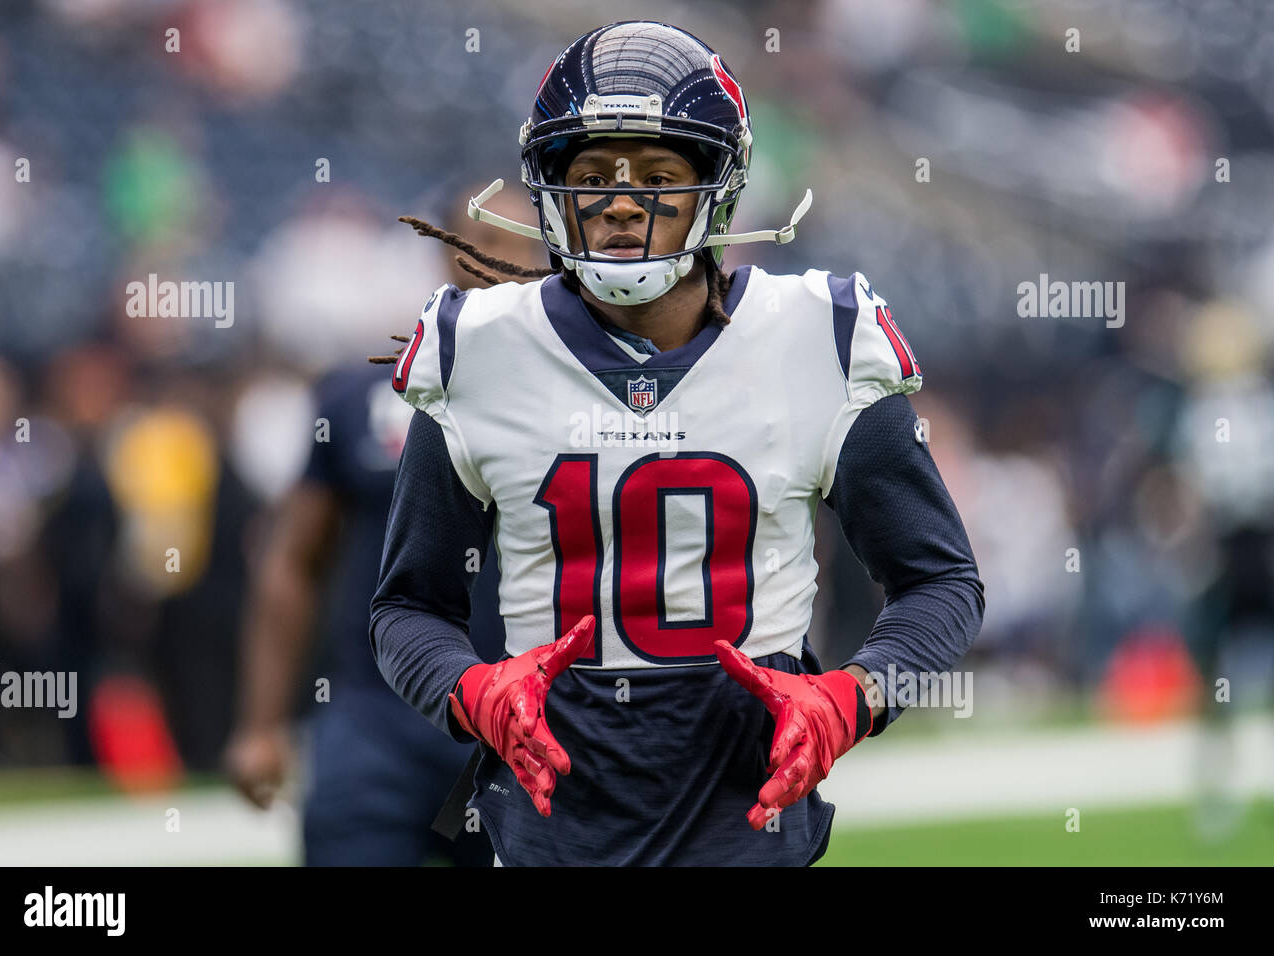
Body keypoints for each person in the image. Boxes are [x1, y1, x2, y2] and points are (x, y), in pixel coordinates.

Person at [369, 20, 984, 866]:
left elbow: (941, 581)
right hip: (556, 834)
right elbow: (407, 610)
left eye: (658, 175)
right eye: (591, 176)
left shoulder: (817, 335)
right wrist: (474, 690)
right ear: (551, 189)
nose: (621, 203)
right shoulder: (480, 348)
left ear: (717, 192)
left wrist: (855, 695)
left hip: (750, 830)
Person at [224, 187, 541, 865]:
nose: (500, 261)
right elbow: (292, 562)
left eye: (522, 243)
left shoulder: (592, 403)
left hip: (530, 721)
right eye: (481, 242)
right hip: (378, 719)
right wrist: (261, 724)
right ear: (445, 256)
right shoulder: (364, 395)